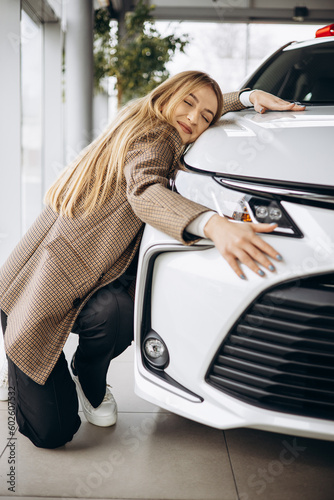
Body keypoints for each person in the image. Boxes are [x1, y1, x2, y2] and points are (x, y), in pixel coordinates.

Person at [0, 71, 305, 449]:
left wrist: (244, 98)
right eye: (188, 104)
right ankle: (19, 361)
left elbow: (200, 103)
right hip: (40, 292)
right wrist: (215, 226)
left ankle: (62, 369)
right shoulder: (157, 136)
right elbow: (144, 190)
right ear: (167, 96)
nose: (194, 119)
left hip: (39, 276)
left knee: (113, 315)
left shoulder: (139, 115)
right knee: (53, 433)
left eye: (207, 117)